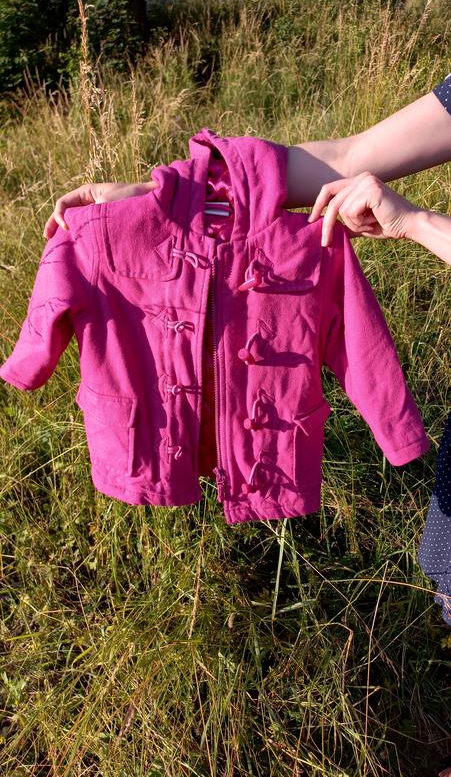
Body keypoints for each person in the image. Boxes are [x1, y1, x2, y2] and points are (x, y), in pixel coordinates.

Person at [43, 76, 451, 776]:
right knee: (447, 568)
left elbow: (360, 345)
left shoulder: (312, 248)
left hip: (268, 456)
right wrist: (160, 192)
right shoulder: (103, 237)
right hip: (145, 444)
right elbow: (350, 155)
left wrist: (415, 224)